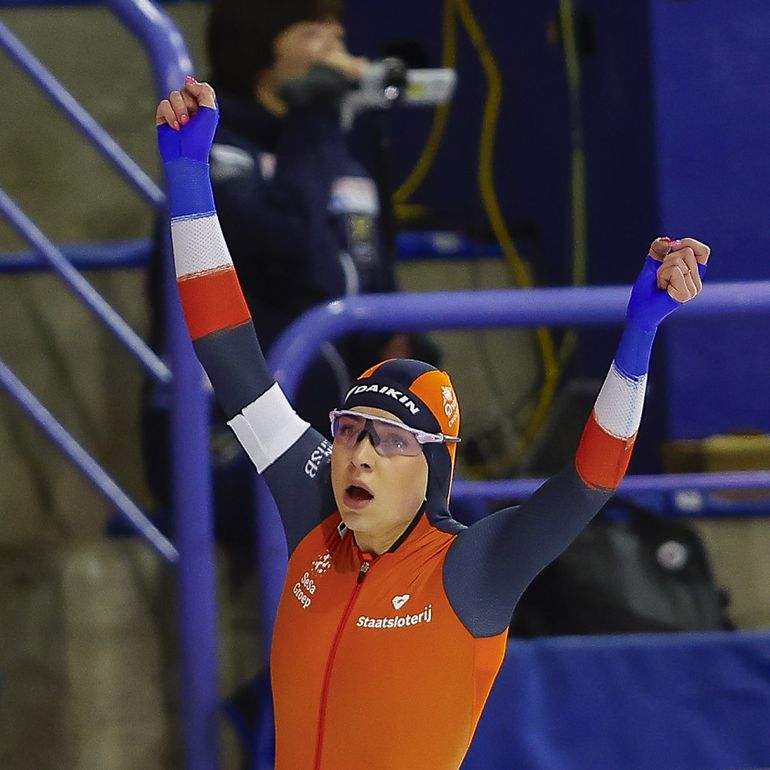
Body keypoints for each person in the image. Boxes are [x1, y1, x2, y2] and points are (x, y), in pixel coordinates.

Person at [156, 80, 710, 769]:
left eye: (390, 441)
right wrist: (187, 176)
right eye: (351, 430)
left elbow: (592, 478)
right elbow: (225, 350)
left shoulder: (470, 570)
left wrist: (639, 332)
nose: (359, 455)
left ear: (436, 467)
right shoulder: (314, 507)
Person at [206, 0, 416, 431]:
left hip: (346, 413)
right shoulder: (216, 152)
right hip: (249, 416)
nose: (334, 44)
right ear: (258, 49)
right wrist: (316, 112)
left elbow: (376, 280)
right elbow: (283, 245)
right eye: (313, 31)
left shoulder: (337, 158)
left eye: (337, 30)